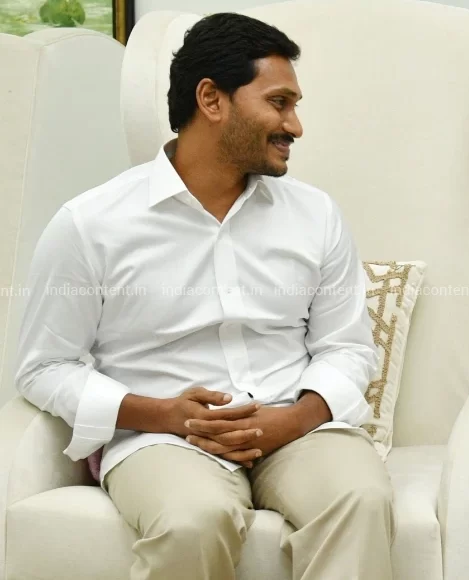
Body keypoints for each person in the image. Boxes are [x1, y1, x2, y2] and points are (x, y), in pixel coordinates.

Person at [15, 13, 393, 580]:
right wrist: (161, 414)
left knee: (361, 499)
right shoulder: (90, 224)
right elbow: (45, 367)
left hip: (295, 426)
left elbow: (347, 347)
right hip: (160, 440)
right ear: (212, 99)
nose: (294, 125)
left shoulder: (316, 215)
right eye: (279, 103)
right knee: (193, 520)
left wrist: (292, 420)